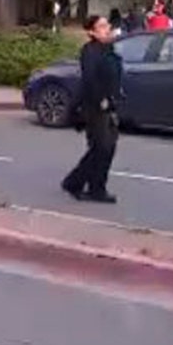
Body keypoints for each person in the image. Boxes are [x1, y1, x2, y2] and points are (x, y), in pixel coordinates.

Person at [61, 15, 122, 204]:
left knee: (107, 148)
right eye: (102, 26)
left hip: (109, 104)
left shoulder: (108, 49)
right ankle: (79, 183)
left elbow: (113, 75)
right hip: (95, 107)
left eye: (107, 25)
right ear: (92, 32)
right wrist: (101, 99)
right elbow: (90, 79)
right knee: (101, 147)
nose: (107, 28)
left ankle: (93, 186)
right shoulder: (90, 51)